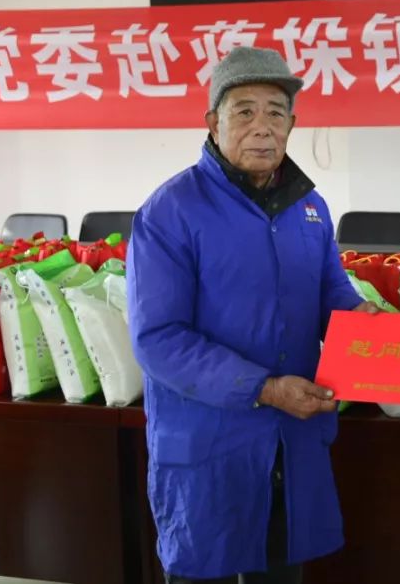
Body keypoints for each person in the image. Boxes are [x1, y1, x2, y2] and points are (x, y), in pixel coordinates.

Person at [127, 46, 375, 584]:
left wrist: (366, 319)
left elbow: (331, 291)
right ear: (212, 123)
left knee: (282, 570)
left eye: (276, 112)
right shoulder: (170, 211)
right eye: (244, 111)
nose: (262, 126)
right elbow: (158, 338)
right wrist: (264, 388)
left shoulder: (309, 208)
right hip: (209, 443)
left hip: (291, 438)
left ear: (292, 125)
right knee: (204, 567)